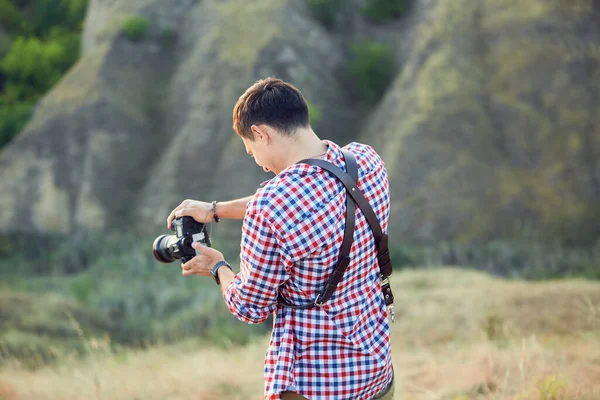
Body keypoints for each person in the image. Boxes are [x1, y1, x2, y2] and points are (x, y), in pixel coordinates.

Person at [167, 77, 394, 400]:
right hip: (376, 371)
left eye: (251, 150)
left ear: (261, 133)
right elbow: (311, 197)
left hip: (316, 384)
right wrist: (215, 210)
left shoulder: (272, 205)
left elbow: (249, 306)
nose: (259, 164)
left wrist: (218, 266)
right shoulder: (365, 161)